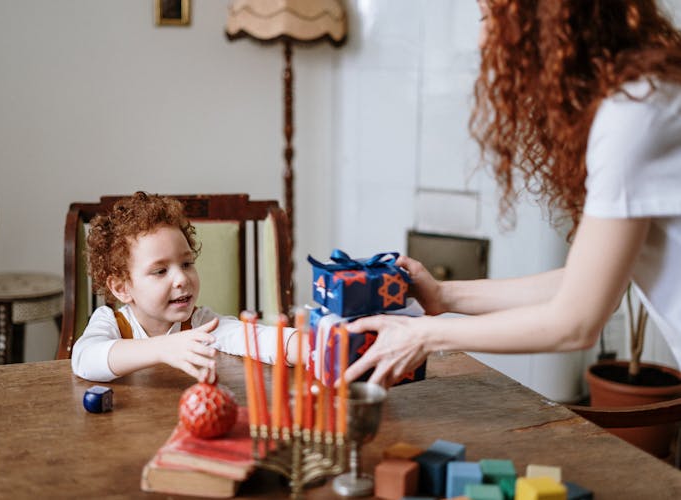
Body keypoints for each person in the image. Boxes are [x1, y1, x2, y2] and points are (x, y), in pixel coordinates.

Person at [344, 0, 681, 387]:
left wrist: (423, 335)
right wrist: (444, 296)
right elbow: (586, 283)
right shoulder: (643, 96)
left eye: (491, 17)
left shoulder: (634, 114)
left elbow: (577, 321)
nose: (483, 37)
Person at [71, 191, 298, 383]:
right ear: (122, 288)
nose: (181, 278)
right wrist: (162, 348)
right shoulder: (111, 322)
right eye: (160, 271)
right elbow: (84, 358)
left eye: (187, 264)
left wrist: (306, 346)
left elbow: (254, 338)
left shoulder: (200, 324)